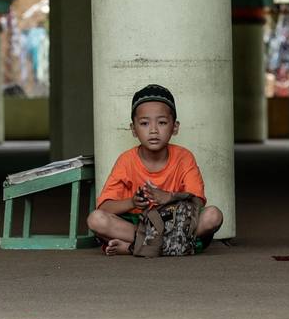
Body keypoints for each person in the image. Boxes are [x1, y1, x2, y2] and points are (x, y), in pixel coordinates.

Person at [86, 84, 224, 256]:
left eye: (162, 123)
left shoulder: (184, 157)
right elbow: (105, 208)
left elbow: (197, 203)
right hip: (139, 224)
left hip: (176, 223)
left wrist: (168, 198)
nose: (153, 130)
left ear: (175, 127)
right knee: (95, 220)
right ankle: (171, 246)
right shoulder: (126, 160)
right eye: (144, 123)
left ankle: (133, 247)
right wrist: (132, 202)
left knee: (213, 216)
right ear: (133, 129)